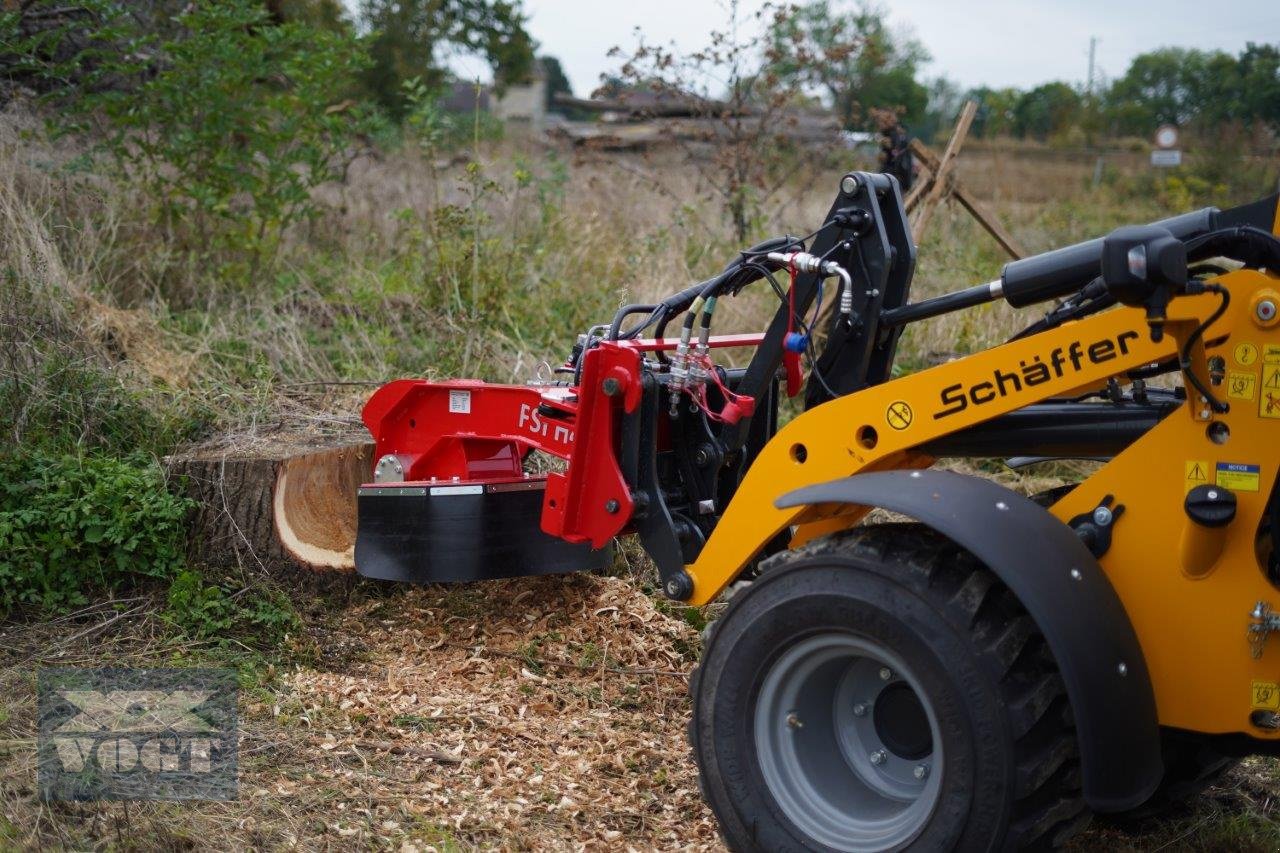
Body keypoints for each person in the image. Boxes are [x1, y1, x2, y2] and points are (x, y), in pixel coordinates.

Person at [876, 112, 913, 192]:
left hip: (894, 174)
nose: (880, 124)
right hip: (892, 173)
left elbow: (896, 156)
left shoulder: (894, 136)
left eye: (882, 122)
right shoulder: (888, 135)